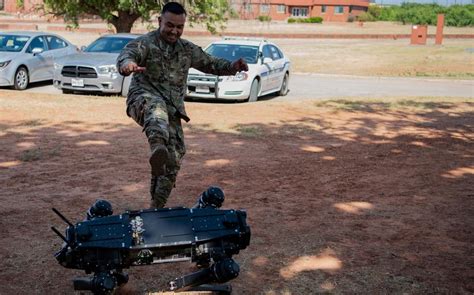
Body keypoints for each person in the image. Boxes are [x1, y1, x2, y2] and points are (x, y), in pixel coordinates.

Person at [116, 2, 248, 208]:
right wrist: (127, 66)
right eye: (170, 25)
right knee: (156, 109)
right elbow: (127, 55)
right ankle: (158, 146)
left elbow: (210, 63)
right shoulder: (145, 43)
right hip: (142, 100)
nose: (174, 31)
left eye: (179, 27)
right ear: (160, 21)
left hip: (172, 111)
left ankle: (156, 205)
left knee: (175, 156)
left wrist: (232, 67)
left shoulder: (186, 49)